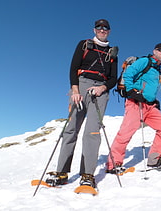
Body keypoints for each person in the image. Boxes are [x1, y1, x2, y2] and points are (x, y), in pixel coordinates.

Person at [45, 19, 118, 188]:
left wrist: (102, 88)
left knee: (92, 132)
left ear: (109, 31)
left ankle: (87, 174)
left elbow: (114, 78)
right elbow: (73, 67)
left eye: (105, 28)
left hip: (100, 91)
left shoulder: (112, 52)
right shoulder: (84, 44)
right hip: (81, 85)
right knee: (70, 129)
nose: (102, 30)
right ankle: (62, 172)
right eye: (99, 27)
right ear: (94, 29)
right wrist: (75, 90)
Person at [106, 43, 161, 171]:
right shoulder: (145, 61)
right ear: (154, 51)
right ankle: (113, 164)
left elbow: (149, 87)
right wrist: (131, 91)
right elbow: (129, 73)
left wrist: (154, 100)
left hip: (150, 106)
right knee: (125, 133)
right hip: (135, 103)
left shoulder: (157, 69)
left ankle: (154, 159)